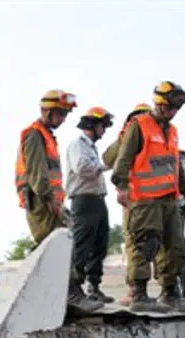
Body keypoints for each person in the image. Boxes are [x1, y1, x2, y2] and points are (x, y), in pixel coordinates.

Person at [14, 89, 103, 314]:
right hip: (42, 201)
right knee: (58, 248)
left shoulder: (46, 135)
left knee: (64, 245)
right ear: (46, 111)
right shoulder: (34, 135)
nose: (63, 120)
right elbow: (37, 174)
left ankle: (59, 295)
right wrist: (50, 200)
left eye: (65, 115)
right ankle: (69, 296)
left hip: (50, 200)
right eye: (60, 114)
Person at [111, 81, 185, 312]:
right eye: (171, 108)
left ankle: (170, 292)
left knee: (174, 246)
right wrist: (122, 187)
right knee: (145, 244)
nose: (174, 113)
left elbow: (174, 163)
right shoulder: (140, 125)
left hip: (169, 199)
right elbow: (123, 159)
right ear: (161, 105)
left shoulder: (172, 132)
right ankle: (140, 294)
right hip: (145, 199)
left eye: (177, 109)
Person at [101, 103, 152, 301]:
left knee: (139, 243)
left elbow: (108, 159)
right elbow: (108, 158)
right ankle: (137, 290)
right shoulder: (153, 136)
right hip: (143, 199)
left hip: (143, 199)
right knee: (143, 243)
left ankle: (136, 290)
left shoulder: (145, 136)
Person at [65, 107, 115, 303]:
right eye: (103, 126)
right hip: (84, 200)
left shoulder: (92, 147)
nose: (104, 130)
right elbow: (81, 168)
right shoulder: (78, 144)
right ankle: (74, 290)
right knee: (82, 246)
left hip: (97, 199)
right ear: (92, 125)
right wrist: (105, 166)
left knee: (99, 245)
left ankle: (93, 287)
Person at [154, 150, 185, 307]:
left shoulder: (176, 160)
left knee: (174, 248)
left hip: (174, 208)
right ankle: (179, 291)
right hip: (180, 208)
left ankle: (181, 291)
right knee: (175, 248)